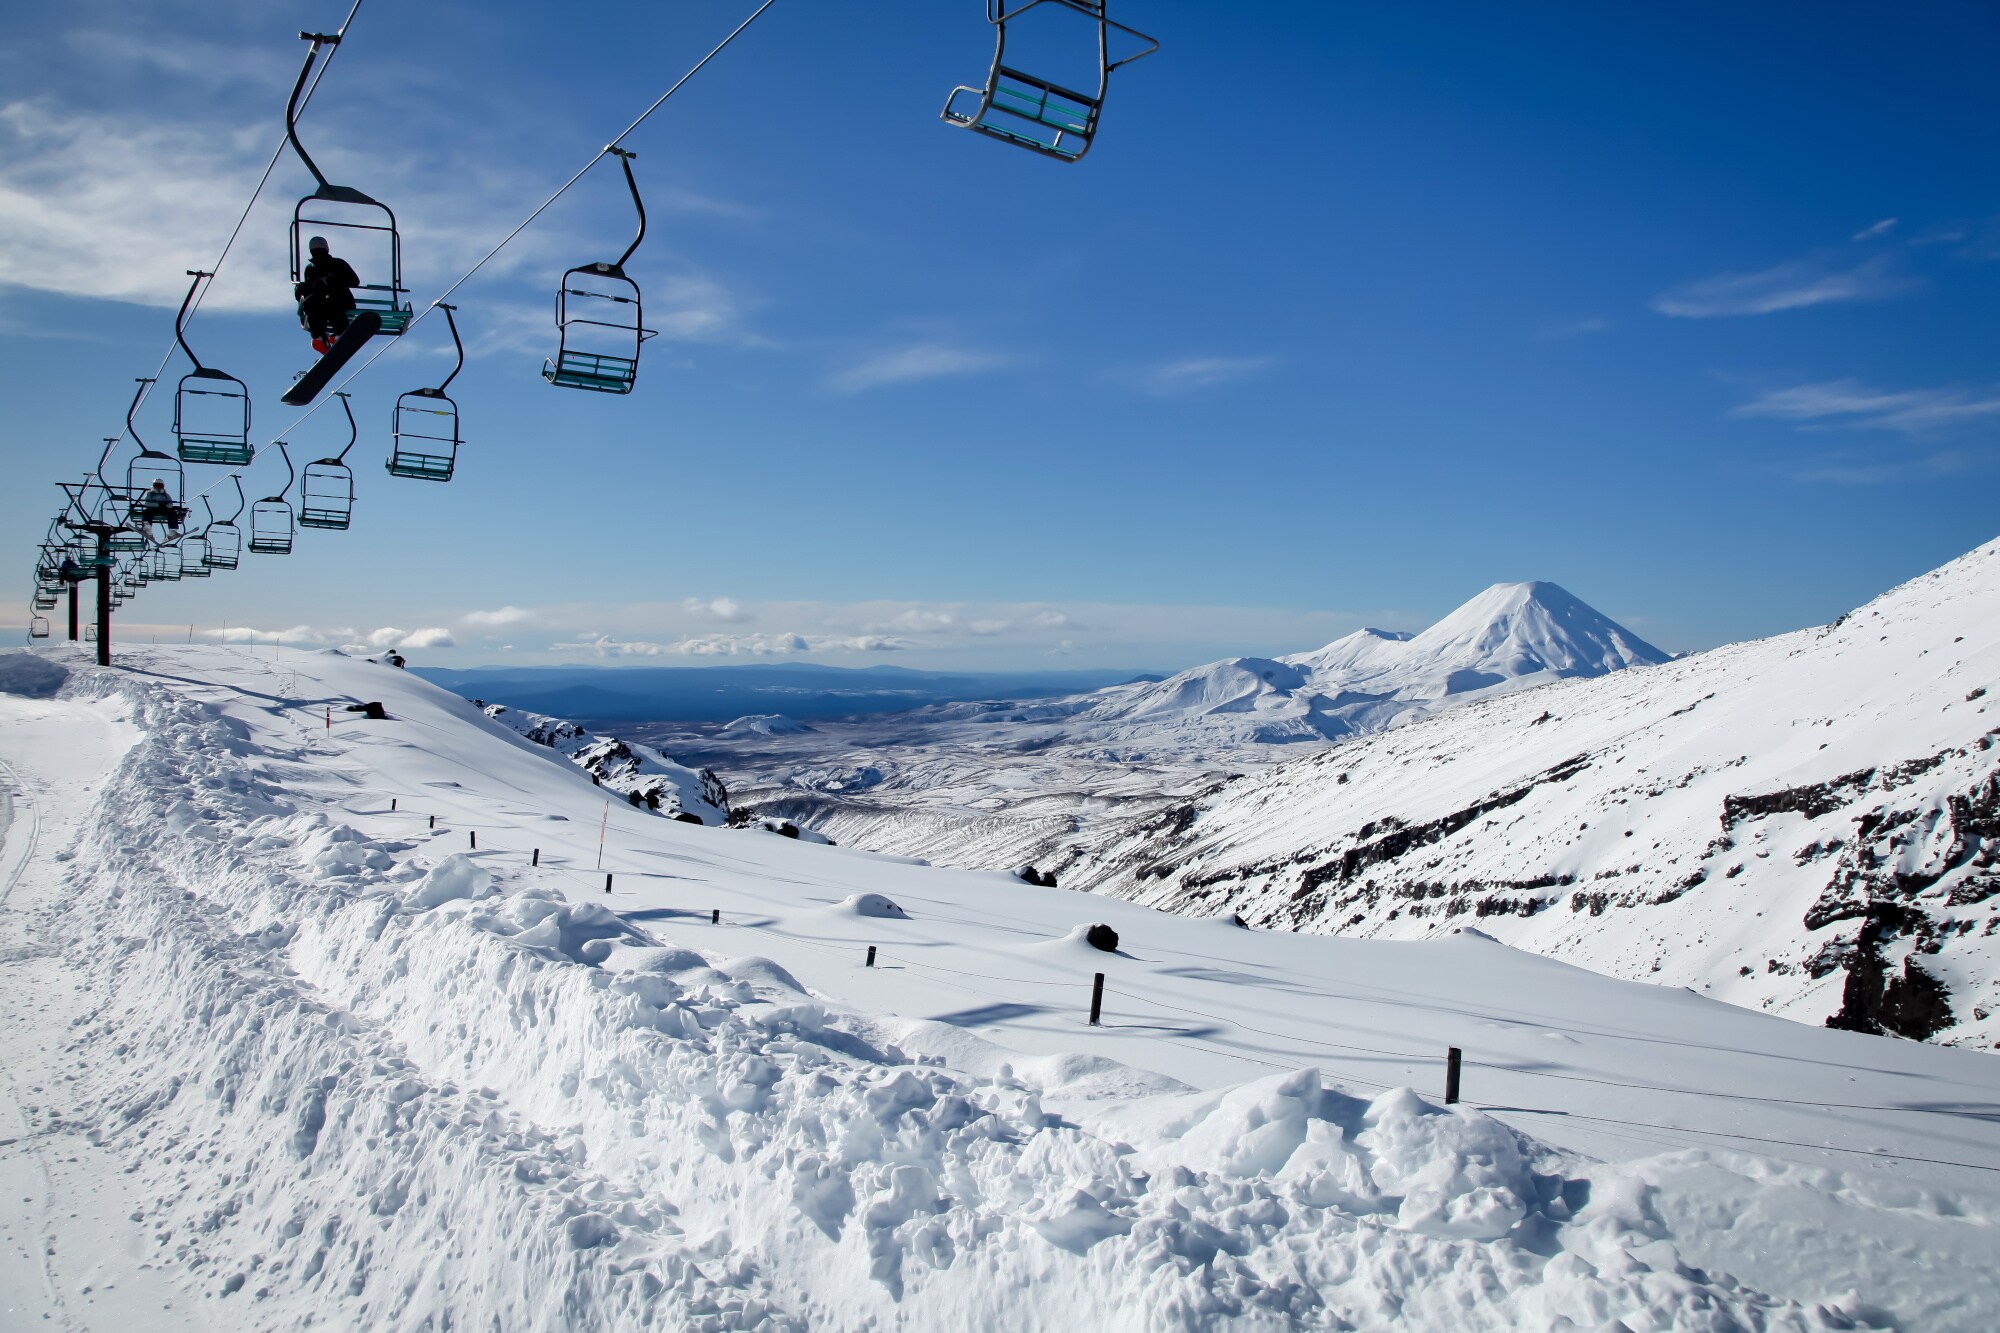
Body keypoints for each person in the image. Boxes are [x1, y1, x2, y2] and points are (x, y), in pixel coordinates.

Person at [295, 235, 360, 355]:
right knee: (313, 301)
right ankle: (321, 337)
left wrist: (331, 280)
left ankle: (331, 334)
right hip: (323, 305)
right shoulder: (311, 269)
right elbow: (309, 290)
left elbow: (354, 281)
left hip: (339, 301)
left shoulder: (337, 264)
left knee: (328, 299)